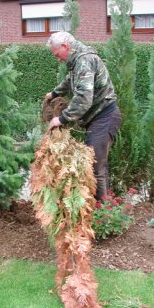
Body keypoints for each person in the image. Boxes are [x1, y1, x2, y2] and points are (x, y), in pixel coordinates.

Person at [45, 31, 122, 200]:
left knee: (94, 167)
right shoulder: (77, 61)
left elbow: (84, 98)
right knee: (96, 165)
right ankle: (101, 209)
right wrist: (54, 93)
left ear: (65, 47)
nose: (57, 59)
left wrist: (61, 119)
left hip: (104, 116)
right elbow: (70, 80)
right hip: (97, 118)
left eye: (57, 54)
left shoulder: (84, 60)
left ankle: (102, 213)